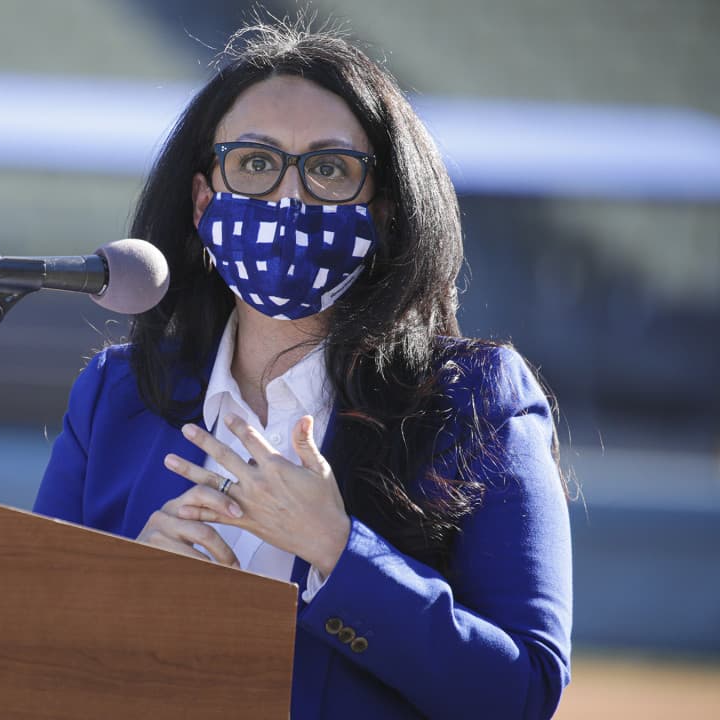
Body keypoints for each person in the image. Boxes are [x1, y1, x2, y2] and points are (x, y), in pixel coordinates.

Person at [33, 17, 573, 719]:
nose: (288, 199)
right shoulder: (115, 395)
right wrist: (128, 589)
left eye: (328, 169)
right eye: (255, 163)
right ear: (203, 202)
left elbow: (524, 691)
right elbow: (27, 649)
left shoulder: (474, 402)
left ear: (382, 211)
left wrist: (339, 552)